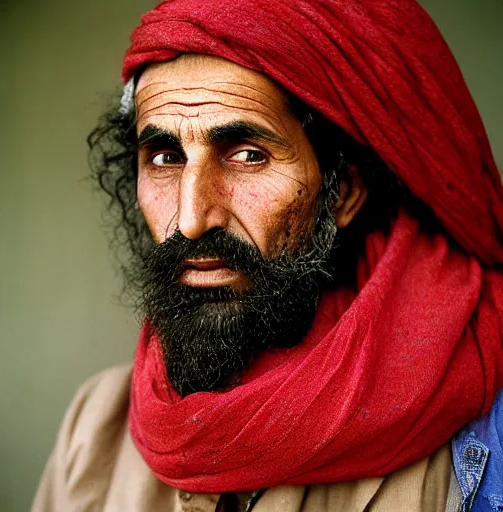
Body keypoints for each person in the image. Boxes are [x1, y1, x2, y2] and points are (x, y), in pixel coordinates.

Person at [33, 0, 503, 510]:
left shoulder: (483, 424)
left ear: (343, 190)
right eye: (166, 158)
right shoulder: (93, 429)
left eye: (247, 155)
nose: (191, 219)